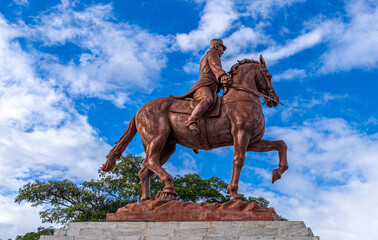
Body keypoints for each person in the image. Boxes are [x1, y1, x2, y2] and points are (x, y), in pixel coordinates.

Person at [172, 39, 232, 134]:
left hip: (211, 87)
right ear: (216, 46)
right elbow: (214, 65)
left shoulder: (215, 55)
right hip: (204, 85)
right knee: (207, 100)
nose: (223, 51)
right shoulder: (212, 53)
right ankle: (190, 121)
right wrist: (222, 75)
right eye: (222, 48)